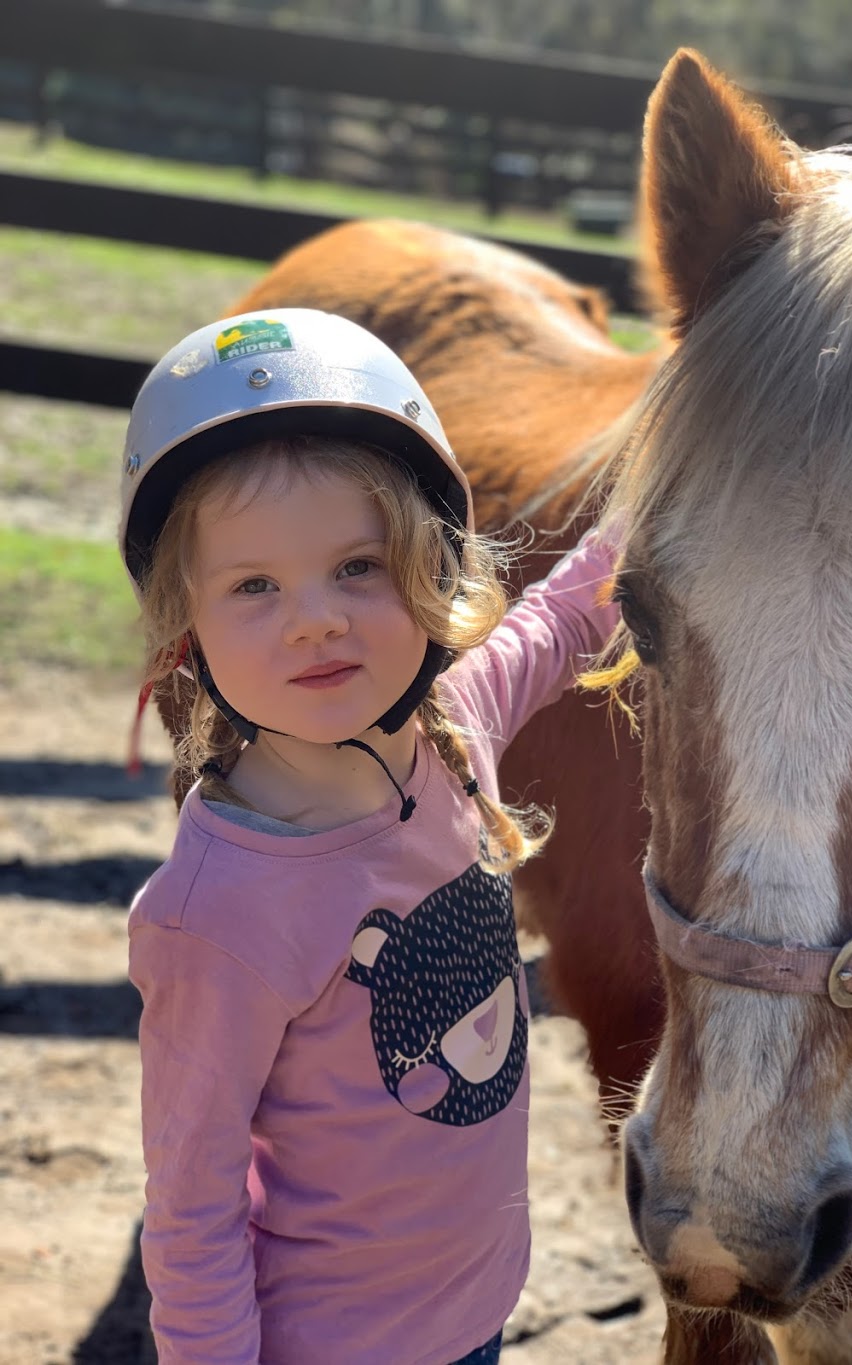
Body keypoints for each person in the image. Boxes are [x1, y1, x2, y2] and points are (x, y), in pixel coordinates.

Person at [119, 308, 621, 1365]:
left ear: (434, 567)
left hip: (473, 1306)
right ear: (186, 626)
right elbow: (190, 1203)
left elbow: (567, 614)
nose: (316, 619)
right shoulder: (218, 914)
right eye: (254, 585)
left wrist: (680, 478)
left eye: (359, 566)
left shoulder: (452, 734)